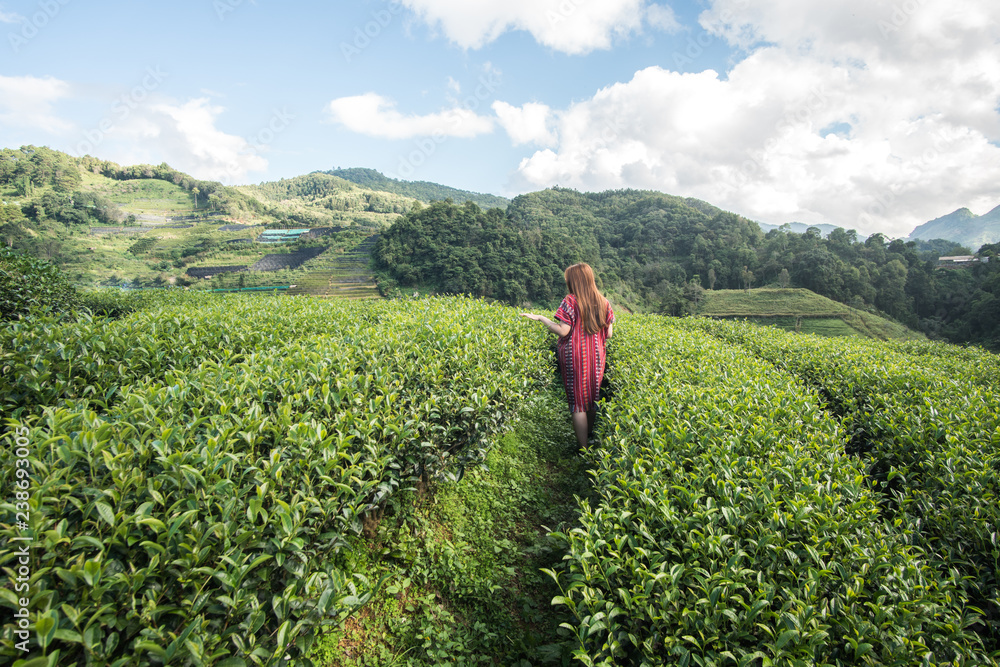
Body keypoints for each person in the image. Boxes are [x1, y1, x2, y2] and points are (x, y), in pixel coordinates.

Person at [521, 263, 615, 450]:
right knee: (591, 399)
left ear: (575, 281)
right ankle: (589, 436)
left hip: (575, 357)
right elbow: (609, 333)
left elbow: (563, 331)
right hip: (596, 357)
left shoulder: (571, 301)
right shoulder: (604, 301)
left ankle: (583, 448)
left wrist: (542, 318)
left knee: (577, 403)